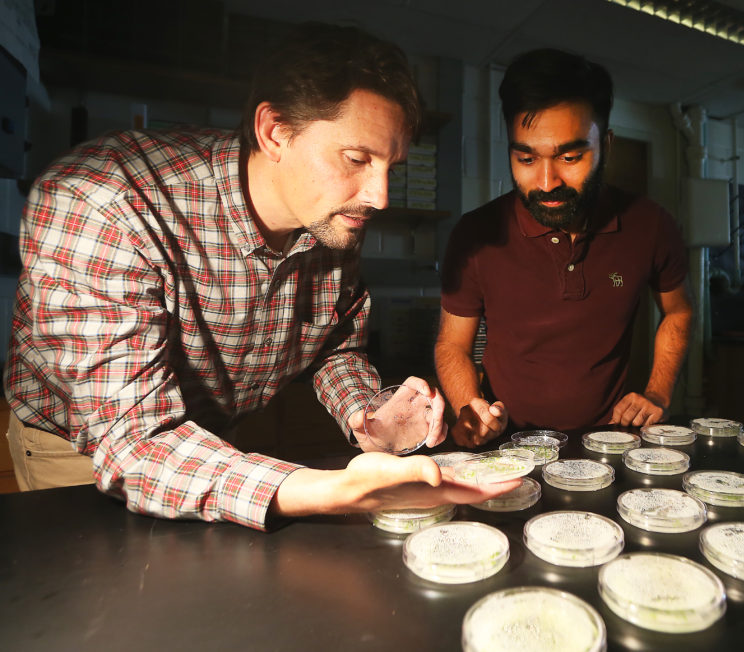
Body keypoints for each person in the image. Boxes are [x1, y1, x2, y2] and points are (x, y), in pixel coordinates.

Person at [3, 23, 516, 530]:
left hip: (216, 442)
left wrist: (368, 414)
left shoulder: (334, 217)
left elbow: (335, 345)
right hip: (81, 449)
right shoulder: (103, 199)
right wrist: (330, 491)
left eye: (392, 168)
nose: (379, 196)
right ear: (275, 131)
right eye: (357, 158)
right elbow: (134, 443)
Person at [435, 48, 692, 448]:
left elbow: (678, 310)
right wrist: (470, 406)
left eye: (571, 156)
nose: (547, 181)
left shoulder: (651, 225)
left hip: (611, 445)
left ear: (605, 143)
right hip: (508, 445)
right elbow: (452, 345)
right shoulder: (475, 234)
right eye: (525, 158)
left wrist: (658, 391)